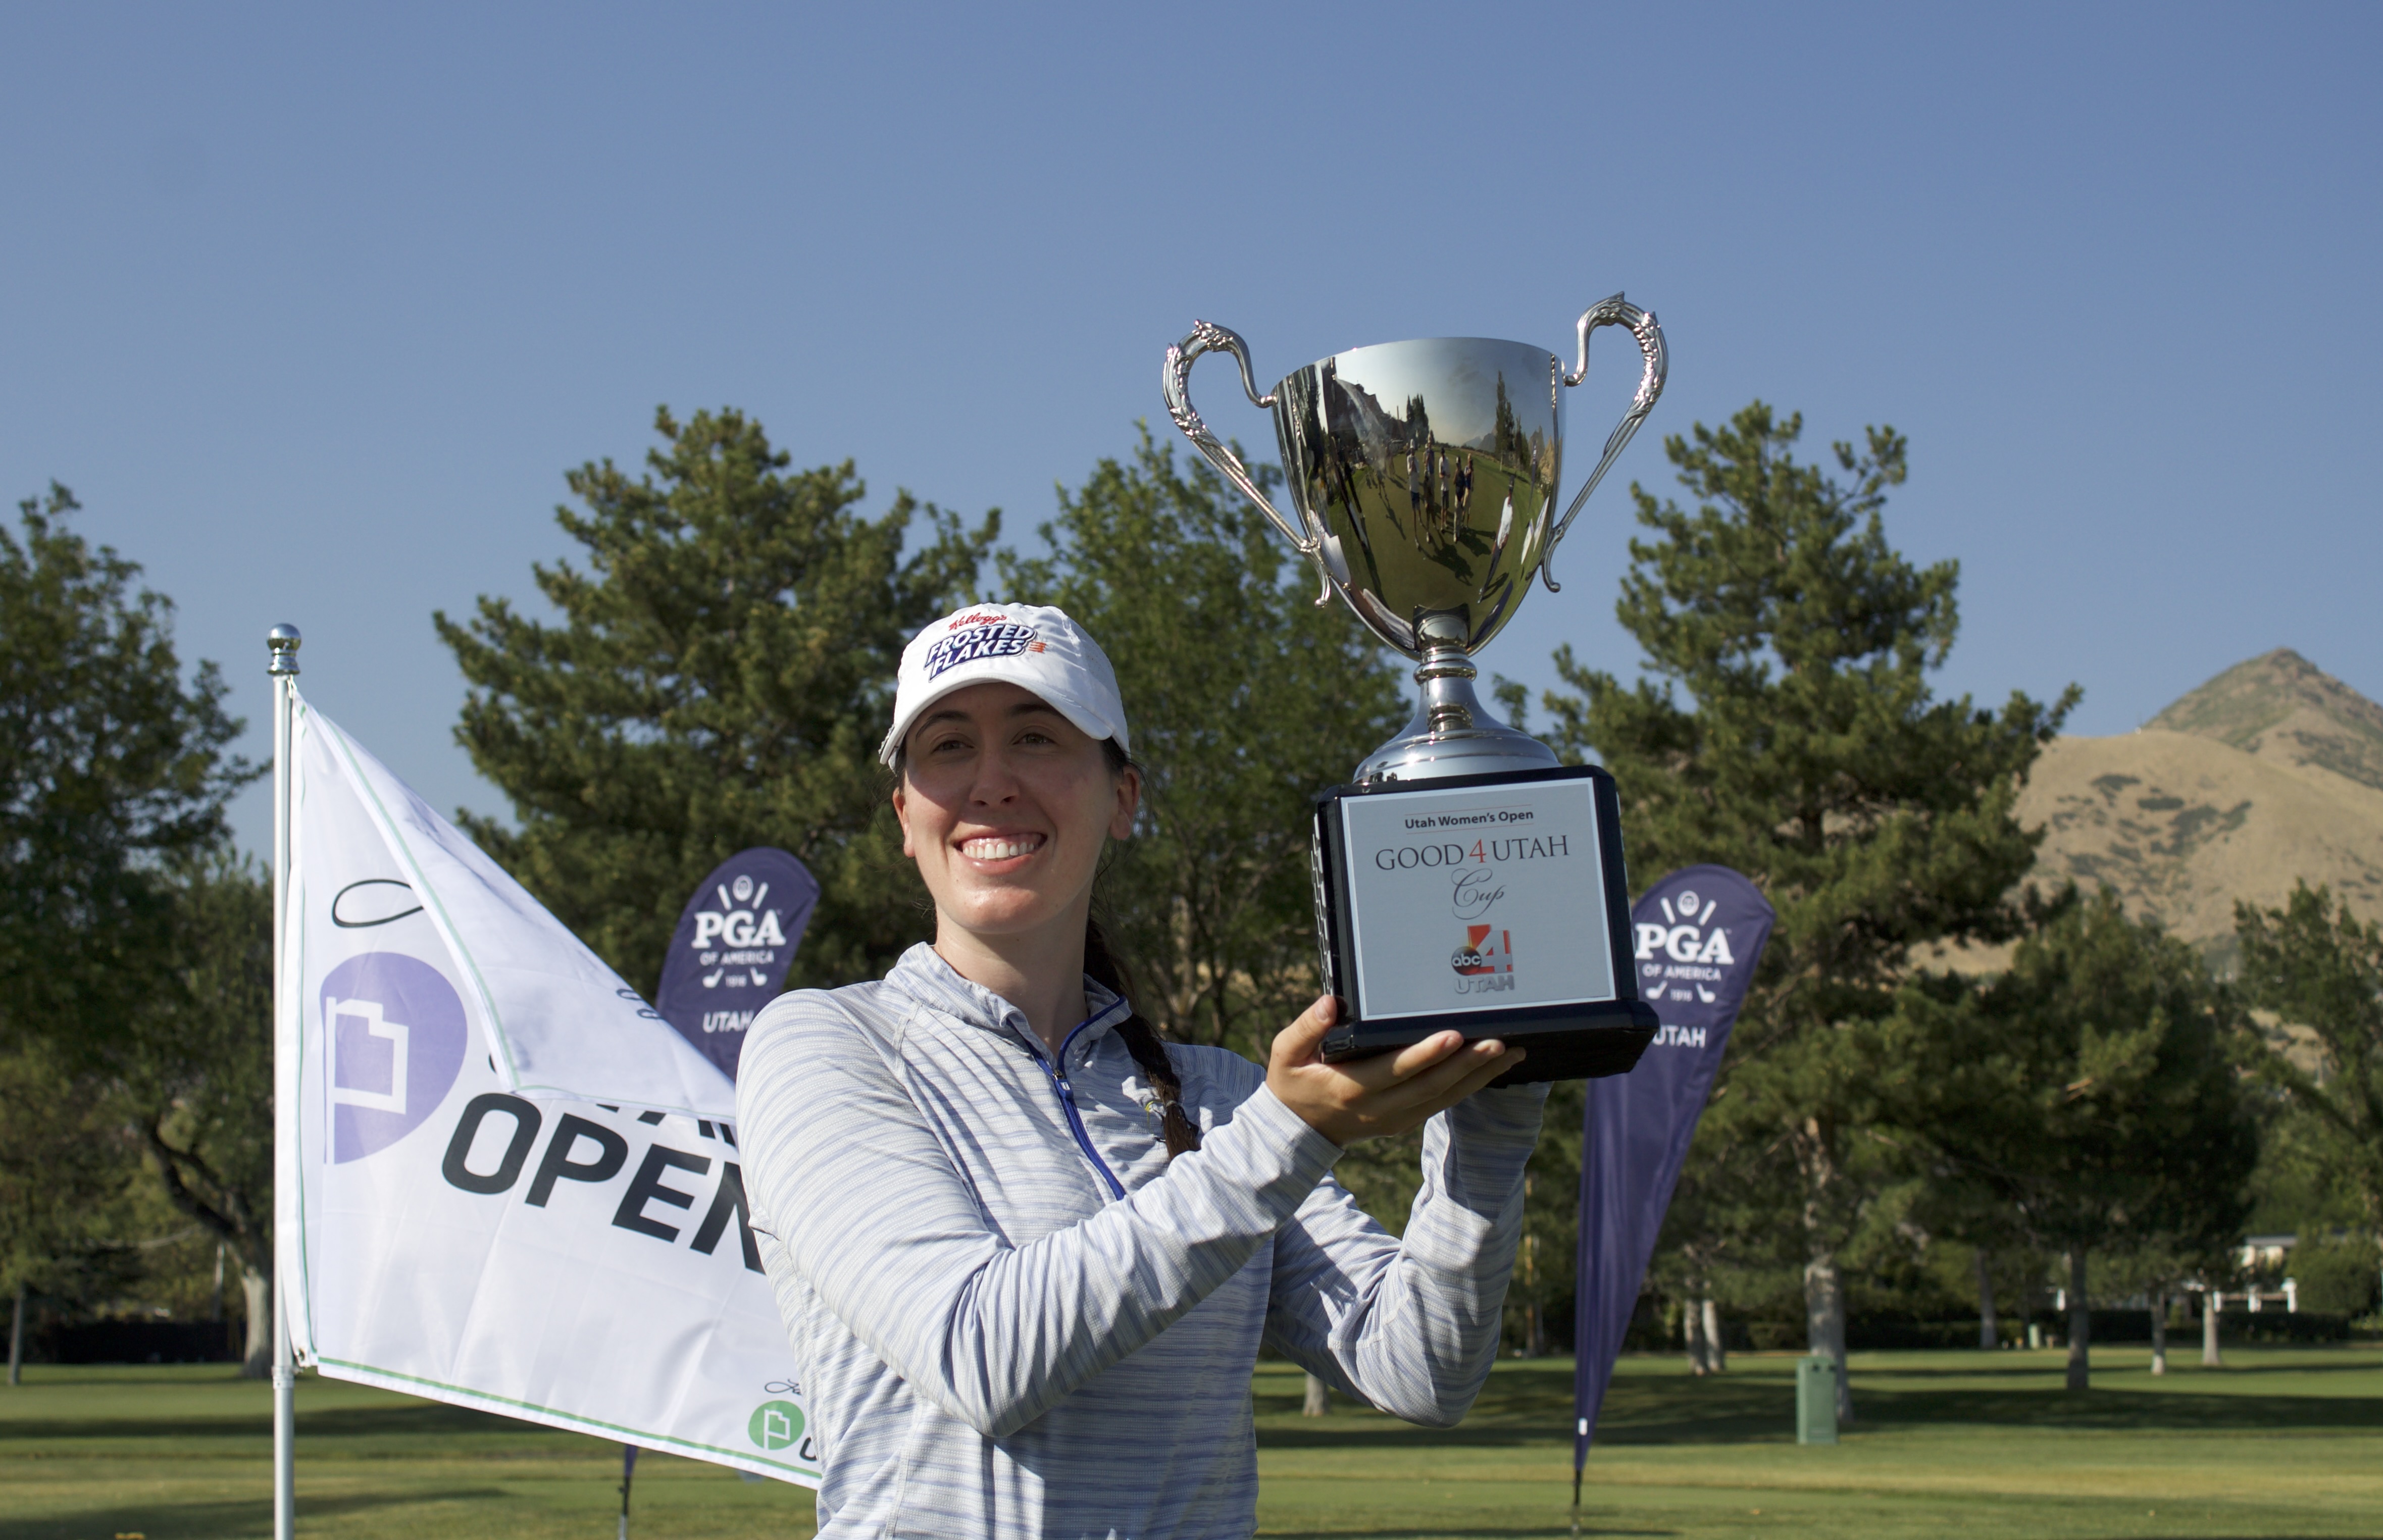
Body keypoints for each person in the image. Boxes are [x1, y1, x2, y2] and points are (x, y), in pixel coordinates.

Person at [736, 602, 1548, 1539]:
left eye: (1037, 737)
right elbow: (976, 1352)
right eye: (949, 746)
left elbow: (1420, 1367)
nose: (991, 782)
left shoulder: (1220, 1097)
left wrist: (1488, 1119)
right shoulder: (824, 1044)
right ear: (906, 815)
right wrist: (1292, 1133)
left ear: (1122, 798)